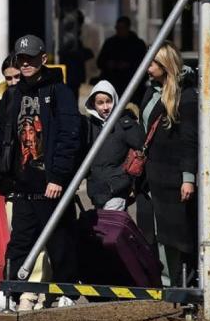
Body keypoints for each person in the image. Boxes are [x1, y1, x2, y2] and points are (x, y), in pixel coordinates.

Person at [0, 34, 81, 308]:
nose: (25, 64)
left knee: (58, 240)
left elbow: (69, 136)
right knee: (19, 241)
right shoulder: (13, 96)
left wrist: (58, 177)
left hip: (51, 183)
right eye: (21, 59)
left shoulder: (59, 92)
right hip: (22, 181)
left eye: (30, 58)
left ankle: (67, 294)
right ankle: (11, 294)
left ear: (43, 59)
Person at [138, 41, 198, 286]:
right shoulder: (150, 91)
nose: (148, 67)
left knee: (174, 234)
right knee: (153, 231)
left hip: (173, 176)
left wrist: (188, 178)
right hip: (151, 174)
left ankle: (177, 282)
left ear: (165, 64)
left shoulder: (187, 96)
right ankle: (161, 281)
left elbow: (190, 140)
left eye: (153, 62)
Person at [82, 80, 143, 211]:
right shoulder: (89, 126)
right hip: (97, 189)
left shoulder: (125, 124)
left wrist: (129, 180)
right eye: (100, 103)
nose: (105, 107)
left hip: (118, 189)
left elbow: (142, 148)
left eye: (108, 101)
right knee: (107, 228)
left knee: (111, 228)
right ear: (93, 104)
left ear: (115, 100)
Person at [96, 16, 148, 97]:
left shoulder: (137, 44)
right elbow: (100, 62)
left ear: (128, 28)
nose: (120, 31)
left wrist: (128, 66)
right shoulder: (110, 43)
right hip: (112, 83)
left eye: (122, 28)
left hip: (132, 85)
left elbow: (143, 65)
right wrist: (109, 64)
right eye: (118, 28)